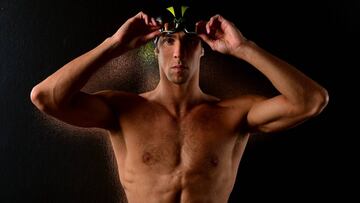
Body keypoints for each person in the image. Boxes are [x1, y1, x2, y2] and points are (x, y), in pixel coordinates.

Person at [30, 10, 328, 203]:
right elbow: (45, 97)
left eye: (189, 42)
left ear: (204, 50)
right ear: (155, 50)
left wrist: (243, 48)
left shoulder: (235, 114)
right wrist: (114, 44)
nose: (178, 52)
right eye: (169, 41)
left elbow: (312, 101)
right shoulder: (122, 109)